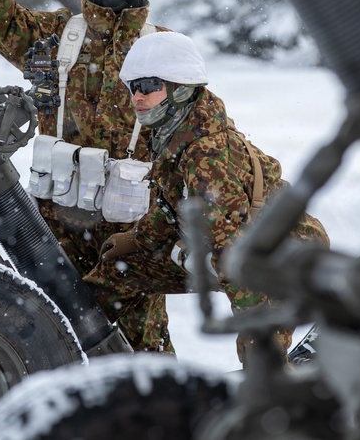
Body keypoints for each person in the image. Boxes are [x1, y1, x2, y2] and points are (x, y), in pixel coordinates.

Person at [0, 0, 172, 352]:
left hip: (129, 225)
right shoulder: (59, 35)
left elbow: (195, 127)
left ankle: (163, 413)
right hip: (58, 218)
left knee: (141, 339)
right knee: (48, 329)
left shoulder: (163, 48)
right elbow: (1, 25)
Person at [82, 31, 331, 366]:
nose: (138, 97)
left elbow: (232, 253)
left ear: (181, 88)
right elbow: (171, 202)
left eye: (150, 85)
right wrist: (137, 240)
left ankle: (282, 401)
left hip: (280, 254)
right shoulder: (175, 130)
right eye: (133, 87)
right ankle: (151, 371)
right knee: (117, 274)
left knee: (262, 358)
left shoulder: (207, 157)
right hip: (232, 247)